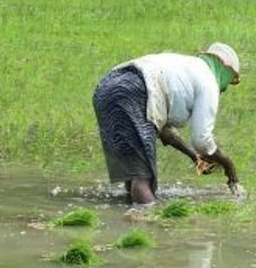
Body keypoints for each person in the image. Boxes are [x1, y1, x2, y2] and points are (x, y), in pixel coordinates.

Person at [92, 42, 243, 206]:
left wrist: (194, 157)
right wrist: (228, 165)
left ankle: (130, 213)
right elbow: (201, 140)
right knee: (143, 179)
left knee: (133, 172)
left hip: (106, 88)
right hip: (135, 90)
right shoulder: (208, 81)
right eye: (229, 82)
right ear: (227, 70)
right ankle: (144, 218)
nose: (224, 90)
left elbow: (164, 131)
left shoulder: (186, 67)